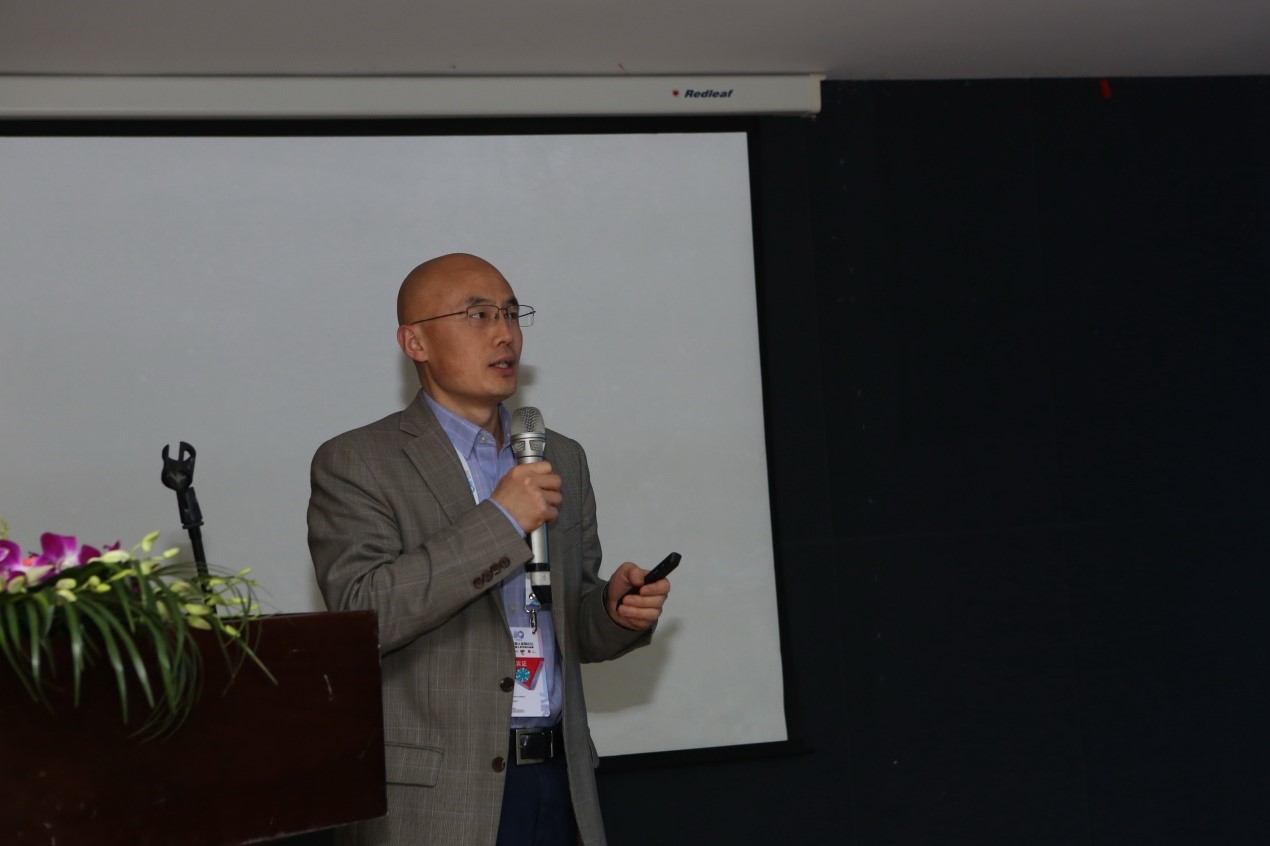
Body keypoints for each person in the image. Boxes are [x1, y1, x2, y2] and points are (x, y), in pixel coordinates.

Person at [307, 253, 670, 846]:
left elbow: (569, 623)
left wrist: (611, 611)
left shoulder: (560, 456)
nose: (505, 334)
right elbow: (362, 615)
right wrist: (502, 521)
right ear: (415, 342)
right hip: (437, 798)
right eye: (478, 315)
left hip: (559, 780)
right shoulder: (358, 462)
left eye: (511, 313)